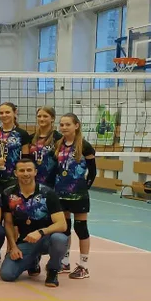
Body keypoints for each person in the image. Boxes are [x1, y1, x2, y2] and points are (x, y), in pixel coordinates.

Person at [0, 157, 68, 287]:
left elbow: (62, 225)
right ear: (15, 173)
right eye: (22, 170)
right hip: (25, 241)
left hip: (46, 239)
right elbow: (8, 223)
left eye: (29, 170)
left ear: (35, 172)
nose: (26, 173)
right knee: (7, 274)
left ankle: (53, 270)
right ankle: (33, 261)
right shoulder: (8, 194)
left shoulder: (48, 193)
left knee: (60, 239)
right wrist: (13, 247)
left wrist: (40, 232)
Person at [54, 114, 97, 279]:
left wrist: (84, 188)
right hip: (60, 193)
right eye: (62, 124)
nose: (64, 127)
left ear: (76, 126)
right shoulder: (58, 144)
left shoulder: (85, 146)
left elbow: (92, 172)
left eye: (68, 124)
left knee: (80, 228)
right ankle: (65, 262)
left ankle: (84, 266)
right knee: (64, 228)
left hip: (78, 194)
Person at [0, 101, 32, 193]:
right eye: (1, 113)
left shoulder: (22, 134)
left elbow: (26, 158)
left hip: (13, 178)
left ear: (15, 112)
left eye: (7, 112)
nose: (4, 115)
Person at [32, 105, 62, 188]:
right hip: (33, 180)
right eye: (39, 116)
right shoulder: (31, 138)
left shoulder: (59, 138)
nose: (41, 119)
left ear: (52, 118)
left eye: (45, 116)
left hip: (52, 181)